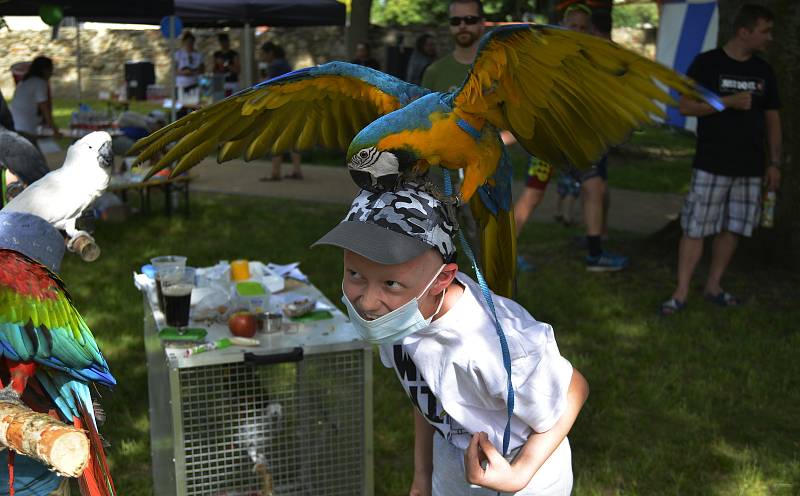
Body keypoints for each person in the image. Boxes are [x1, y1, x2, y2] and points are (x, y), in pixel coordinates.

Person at [313, 183, 589, 495]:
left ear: (442, 278)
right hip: (453, 465)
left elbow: (573, 389)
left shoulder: (493, 345)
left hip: (521, 474)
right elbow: (427, 393)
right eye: (355, 275)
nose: (367, 302)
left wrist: (518, 475)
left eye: (390, 283)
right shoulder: (396, 318)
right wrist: (422, 475)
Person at [660, 4, 781, 315]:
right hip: (711, 163)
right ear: (744, 31)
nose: (770, 37)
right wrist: (726, 102)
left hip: (751, 167)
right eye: (765, 30)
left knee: (734, 228)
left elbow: (772, 120)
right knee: (696, 227)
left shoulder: (763, 71)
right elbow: (685, 106)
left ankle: (714, 286)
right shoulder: (707, 64)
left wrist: (774, 162)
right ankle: (681, 292)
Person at [258, 42, 302, 181]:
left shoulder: (275, 66)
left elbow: (269, 86)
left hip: (281, 105)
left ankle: (275, 172)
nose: (261, 56)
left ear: (270, 53)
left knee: (277, 137)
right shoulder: (284, 64)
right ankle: (296, 169)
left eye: (263, 53)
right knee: (292, 137)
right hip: (292, 103)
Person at [421, 0, 485, 93]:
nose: (462, 26)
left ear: (482, 23)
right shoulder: (433, 72)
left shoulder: (503, 69)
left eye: (470, 19)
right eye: (455, 21)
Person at [9, 56, 60, 140]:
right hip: (26, 128)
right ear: (45, 70)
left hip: (16, 125)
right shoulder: (39, 83)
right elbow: (44, 107)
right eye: (51, 70)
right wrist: (54, 130)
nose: (51, 73)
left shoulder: (25, 81)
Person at [175, 31, 205, 98]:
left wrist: (193, 72)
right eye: (188, 42)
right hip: (181, 84)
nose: (189, 44)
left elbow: (202, 70)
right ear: (184, 42)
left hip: (194, 84)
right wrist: (183, 72)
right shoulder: (178, 54)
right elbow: (175, 70)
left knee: (193, 105)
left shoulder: (198, 55)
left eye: (191, 42)